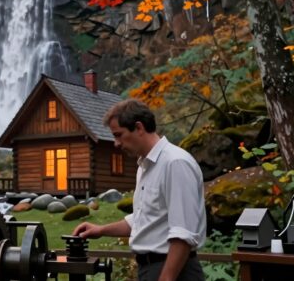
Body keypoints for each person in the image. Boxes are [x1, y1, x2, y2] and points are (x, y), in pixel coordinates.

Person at [72, 99, 206, 281]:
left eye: (118, 135)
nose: (116, 143)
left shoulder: (175, 163)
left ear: (139, 127)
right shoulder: (144, 167)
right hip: (152, 269)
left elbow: (183, 233)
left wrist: (166, 278)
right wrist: (100, 230)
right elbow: (143, 220)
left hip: (174, 271)